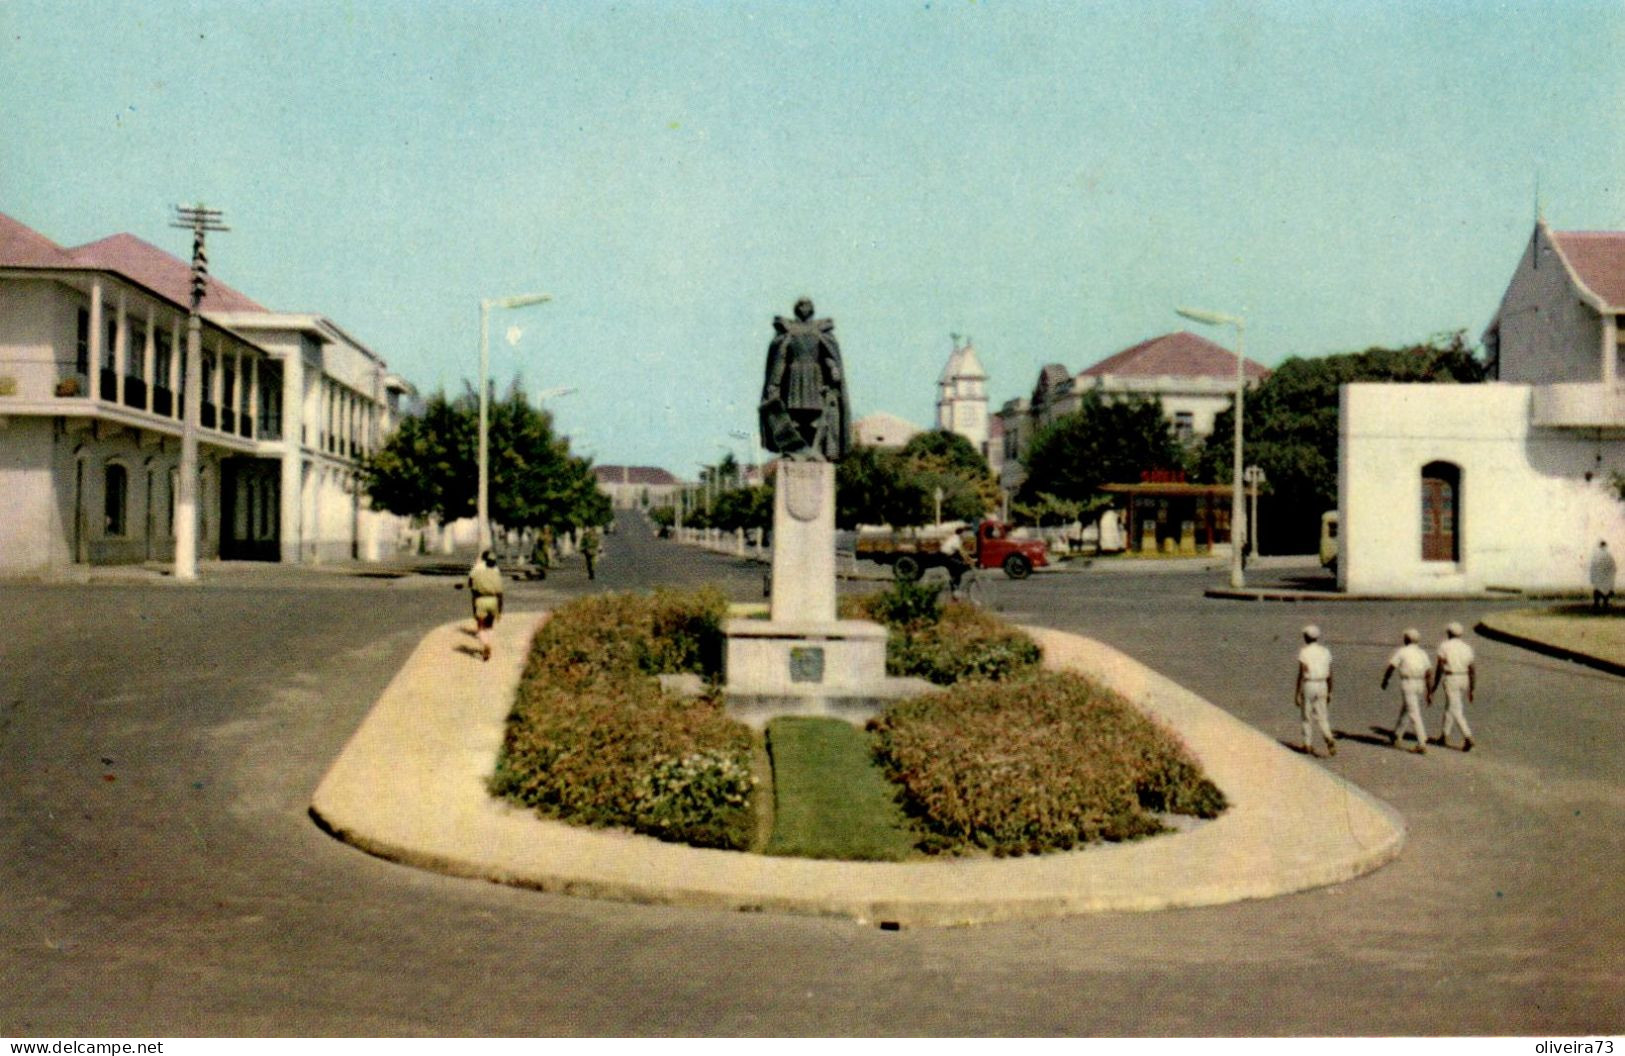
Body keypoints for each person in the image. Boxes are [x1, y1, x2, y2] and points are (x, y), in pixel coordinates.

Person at [1381, 628, 1430, 754]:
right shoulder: (1422, 653)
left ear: (1406, 639)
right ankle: (1397, 734)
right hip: (1420, 683)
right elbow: (1429, 672)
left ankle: (1421, 742)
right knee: (1407, 709)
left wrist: (1385, 679)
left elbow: (1392, 666)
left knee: (1413, 712)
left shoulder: (1402, 651)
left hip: (1408, 683)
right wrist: (1429, 691)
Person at [1430, 621, 1476, 752]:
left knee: (1456, 709)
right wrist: (1472, 688)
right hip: (1464, 678)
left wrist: (1434, 685)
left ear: (1449, 633)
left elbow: (1439, 667)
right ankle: (1444, 735)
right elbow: (1472, 669)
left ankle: (1468, 736)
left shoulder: (1444, 646)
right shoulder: (1467, 647)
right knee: (1451, 706)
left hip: (1451, 678)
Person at [1294, 625, 1336, 757]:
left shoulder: (1304, 652)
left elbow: (1301, 673)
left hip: (1309, 684)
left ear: (1306, 637)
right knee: (1322, 716)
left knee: (1306, 716)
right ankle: (1328, 736)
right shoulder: (1325, 651)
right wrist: (1330, 690)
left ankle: (1307, 743)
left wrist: (1297, 692)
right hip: (1322, 683)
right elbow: (1330, 673)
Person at [467, 551, 504, 662]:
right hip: (493, 601)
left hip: (481, 600)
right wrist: (500, 609)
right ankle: (488, 643)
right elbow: (500, 593)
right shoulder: (496, 573)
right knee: (489, 625)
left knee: (480, 625)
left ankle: (485, 644)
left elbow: (472, 587)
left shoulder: (478, 571)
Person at [940, 527, 971, 598]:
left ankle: (954, 586)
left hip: (948, 555)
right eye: (964, 533)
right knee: (958, 569)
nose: (965, 535)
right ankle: (955, 589)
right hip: (945, 556)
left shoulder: (956, 538)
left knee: (958, 569)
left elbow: (961, 552)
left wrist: (967, 558)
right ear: (961, 533)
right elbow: (961, 551)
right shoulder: (956, 539)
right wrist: (969, 559)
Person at [1589, 539, 1616, 612]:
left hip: (1599, 578)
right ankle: (1605, 604)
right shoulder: (1609, 556)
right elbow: (1613, 568)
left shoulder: (1596, 556)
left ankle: (1597, 604)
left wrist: (1592, 577)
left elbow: (1592, 568)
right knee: (1605, 591)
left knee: (1597, 590)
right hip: (1606, 578)